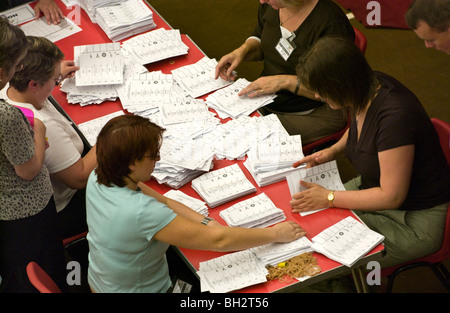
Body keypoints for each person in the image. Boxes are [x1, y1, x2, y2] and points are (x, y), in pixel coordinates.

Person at [85, 114, 306, 293]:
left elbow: (163, 200)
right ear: (132, 163)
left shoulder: (100, 175)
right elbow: (220, 241)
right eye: (153, 156)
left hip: (101, 282)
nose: (158, 160)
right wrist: (276, 234)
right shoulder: (142, 212)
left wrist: (206, 221)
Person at [290, 36, 450, 269]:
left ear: (340, 85)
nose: (317, 97)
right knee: (308, 222)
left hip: (412, 220)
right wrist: (332, 151)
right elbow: (361, 126)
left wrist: (329, 197)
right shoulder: (367, 86)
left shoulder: (394, 117)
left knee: (317, 260)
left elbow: (390, 196)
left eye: (322, 91)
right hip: (374, 189)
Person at [215, 0, 355, 145]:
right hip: (270, 99)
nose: (262, 1)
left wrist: (284, 82)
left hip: (313, 111)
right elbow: (262, 39)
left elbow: (334, 92)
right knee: (221, 124)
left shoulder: (331, 24)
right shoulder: (272, 4)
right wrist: (241, 52)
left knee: (246, 141)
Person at [0, 16, 66, 292]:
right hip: (25, 214)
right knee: (42, 270)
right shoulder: (8, 116)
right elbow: (27, 170)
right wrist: (38, 132)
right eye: (15, 68)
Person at [1, 36, 91, 239]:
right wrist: (109, 137)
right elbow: (79, 178)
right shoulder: (41, 124)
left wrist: (56, 73)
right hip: (67, 206)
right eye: (54, 80)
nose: (57, 83)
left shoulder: (9, 88)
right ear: (34, 84)